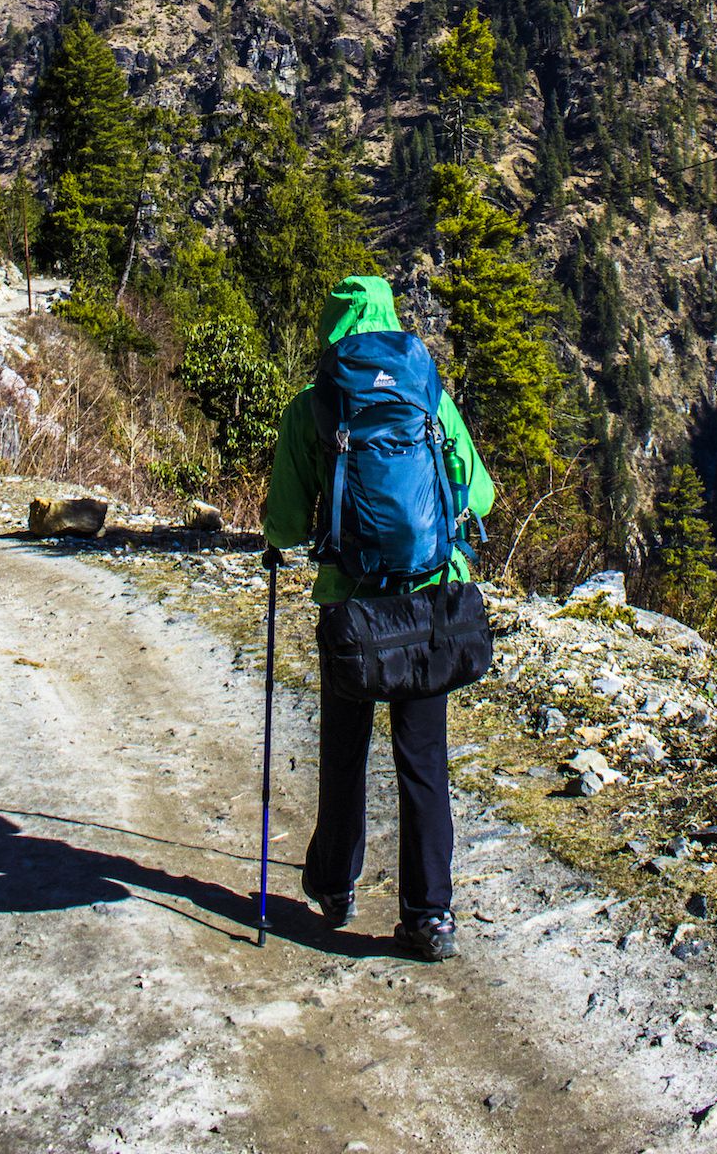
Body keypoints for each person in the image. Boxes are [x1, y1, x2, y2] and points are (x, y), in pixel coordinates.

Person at [263, 274, 494, 963]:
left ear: (333, 328)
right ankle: (431, 916)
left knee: (344, 752)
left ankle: (334, 885)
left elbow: (286, 523)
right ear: (392, 319)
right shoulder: (427, 396)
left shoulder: (313, 407)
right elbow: (476, 490)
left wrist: (278, 544)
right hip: (428, 601)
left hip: (353, 605)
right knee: (423, 760)